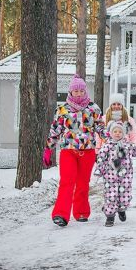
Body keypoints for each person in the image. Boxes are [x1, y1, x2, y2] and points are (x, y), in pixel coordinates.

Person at [46, 74, 105, 227]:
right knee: (67, 182)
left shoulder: (93, 108)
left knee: (83, 183)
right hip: (68, 151)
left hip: (88, 151)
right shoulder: (62, 109)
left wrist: (110, 136)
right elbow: (55, 130)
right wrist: (48, 148)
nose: (78, 93)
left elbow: (99, 126)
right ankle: (61, 214)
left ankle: (81, 212)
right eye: (75, 91)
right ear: (70, 92)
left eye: (81, 91)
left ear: (85, 91)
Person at [95, 121, 136, 227]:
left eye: (120, 131)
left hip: (125, 176)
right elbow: (101, 158)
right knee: (111, 195)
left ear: (123, 133)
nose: (117, 133)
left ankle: (122, 209)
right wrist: (99, 170)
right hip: (110, 176)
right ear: (111, 133)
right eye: (115, 131)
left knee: (125, 195)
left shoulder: (127, 145)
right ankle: (110, 217)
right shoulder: (107, 146)